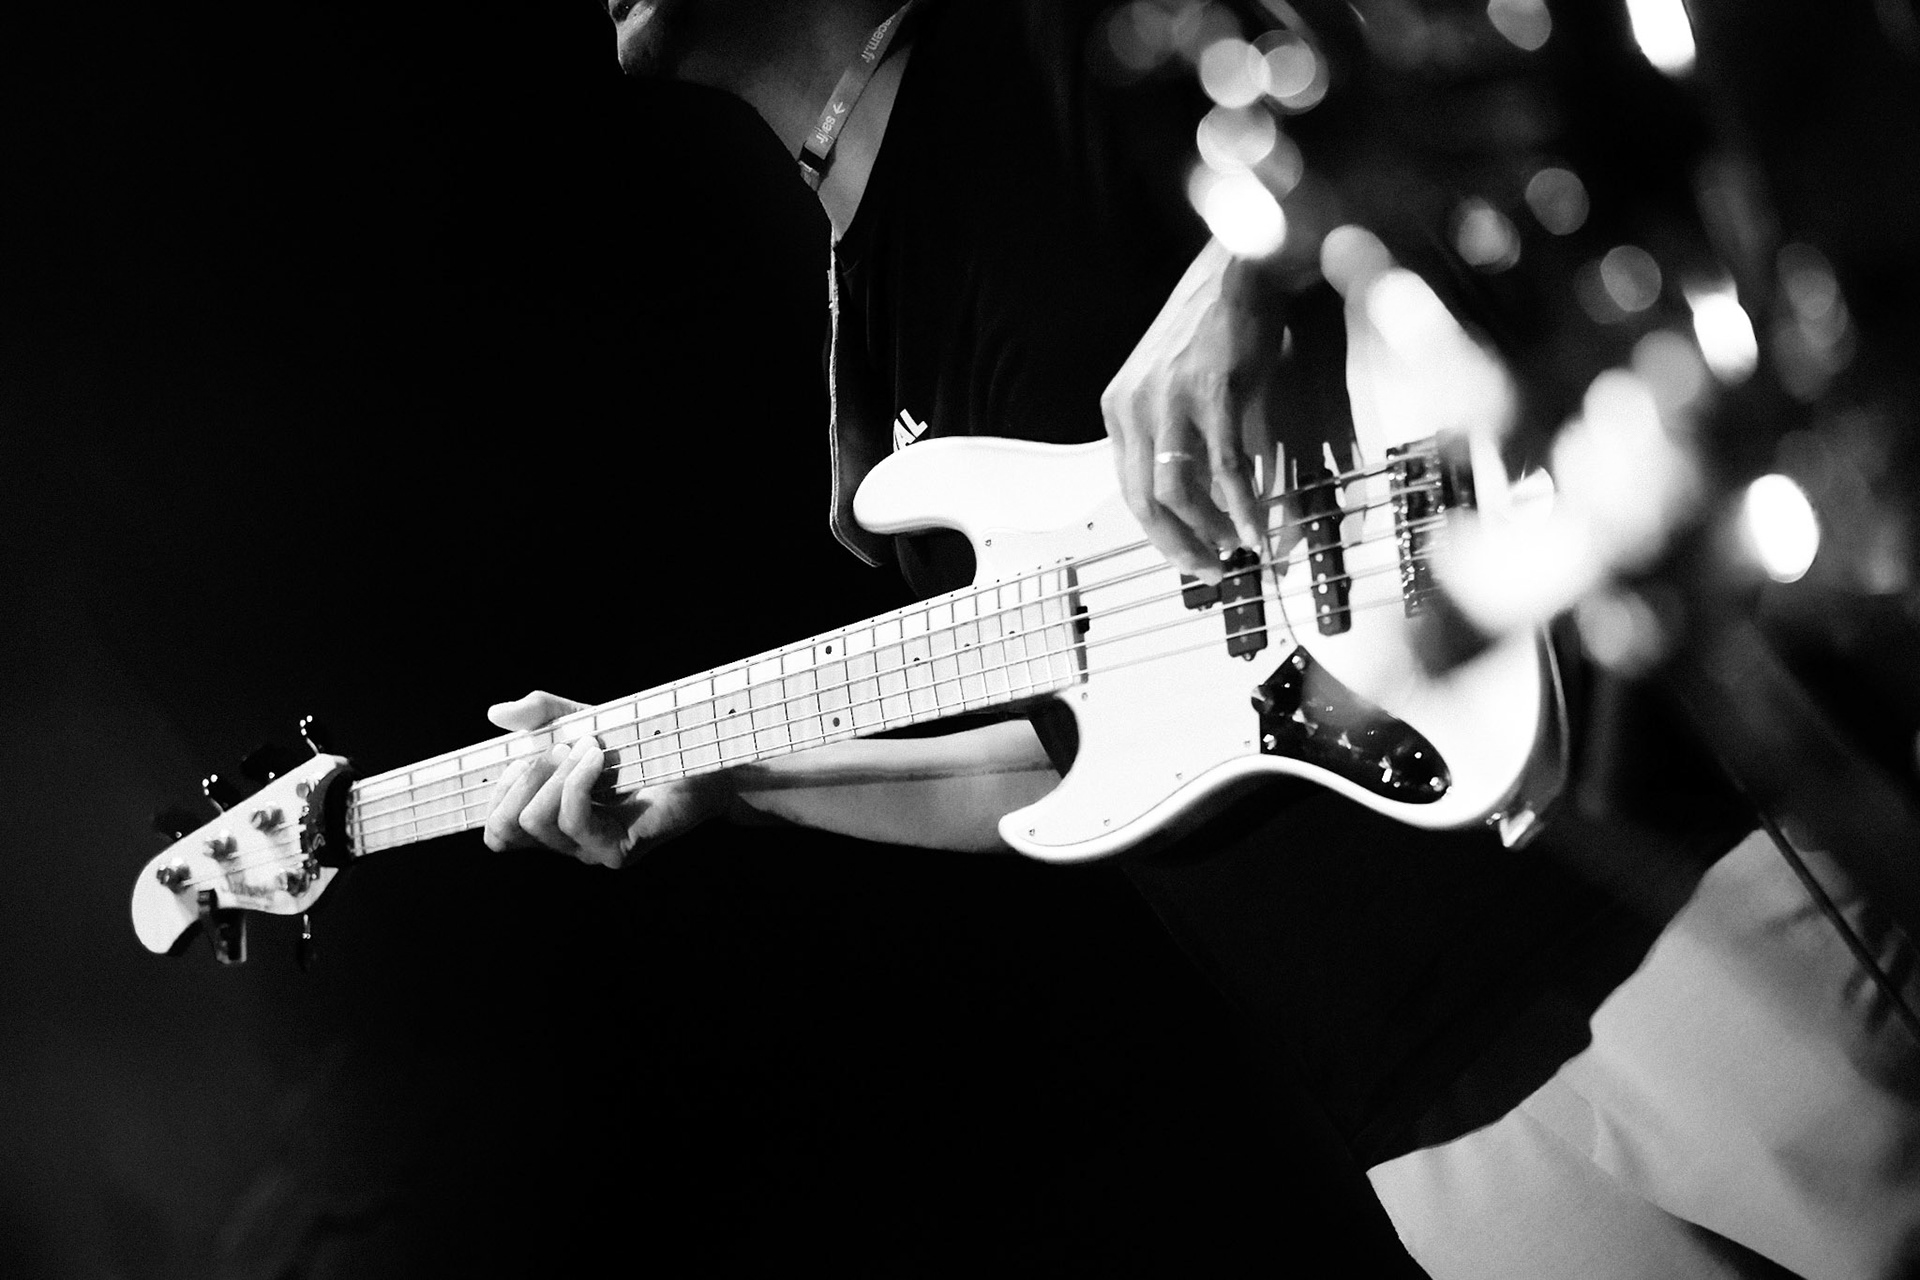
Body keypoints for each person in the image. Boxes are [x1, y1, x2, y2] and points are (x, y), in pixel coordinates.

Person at [483, 2, 1920, 1274]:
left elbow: (1471, 58)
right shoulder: (861, 374)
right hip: (1414, 1092)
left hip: (1642, 865)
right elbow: (1057, 769)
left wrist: (1244, 265)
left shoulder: (1071, 41)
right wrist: (734, 781)